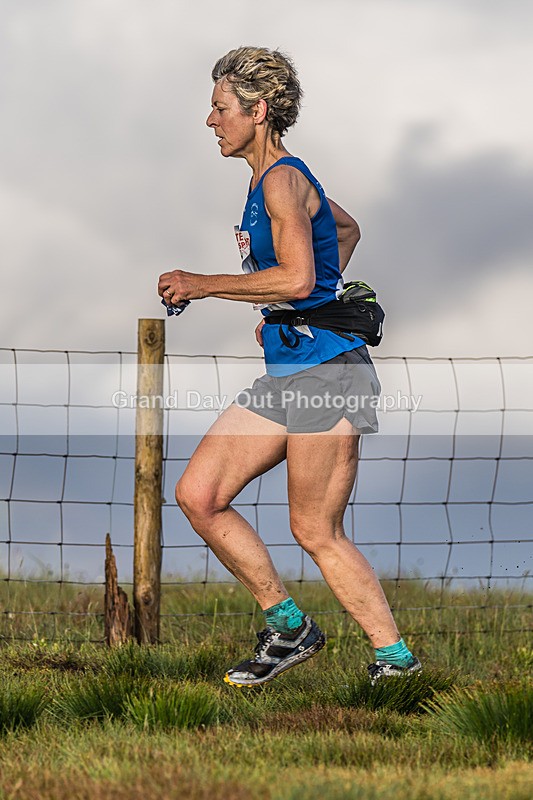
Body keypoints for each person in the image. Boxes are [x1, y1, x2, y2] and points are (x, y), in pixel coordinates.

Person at [158, 46, 421, 686]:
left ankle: (397, 663)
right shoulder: (274, 181)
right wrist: (285, 310)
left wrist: (202, 283)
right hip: (292, 372)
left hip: (328, 374)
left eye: (221, 109)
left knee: (314, 528)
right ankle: (289, 627)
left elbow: (301, 276)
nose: (211, 120)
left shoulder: (280, 179)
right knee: (199, 494)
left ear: (259, 110)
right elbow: (346, 231)